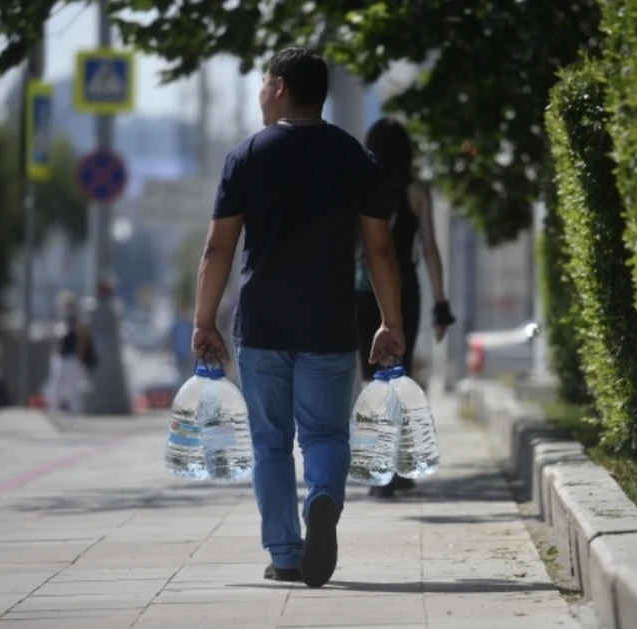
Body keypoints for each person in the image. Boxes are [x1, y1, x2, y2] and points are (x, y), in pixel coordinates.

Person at [191, 48, 405, 589]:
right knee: (327, 435)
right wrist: (390, 321)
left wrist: (203, 320)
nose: (260, 91)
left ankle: (285, 554)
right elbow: (380, 248)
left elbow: (218, 247)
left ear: (281, 88)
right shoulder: (354, 157)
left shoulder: (246, 156)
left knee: (270, 443)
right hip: (329, 323)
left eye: (264, 82)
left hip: (261, 326)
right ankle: (325, 504)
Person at [355, 117, 457, 498]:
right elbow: (429, 249)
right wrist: (441, 303)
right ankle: (398, 466)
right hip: (405, 292)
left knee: (371, 381)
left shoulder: (357, 188)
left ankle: (379, 470)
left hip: (363, 293)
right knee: (398, 377)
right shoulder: (417, 192)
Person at [43, 291, 91, 416]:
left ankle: (74, 414)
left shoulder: (77, 321)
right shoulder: (60, 321)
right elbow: (56, 341)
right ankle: (52, 411)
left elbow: (82, 340)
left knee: (72, 389)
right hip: (60, 357)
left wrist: (79, 357)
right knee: (54, 386)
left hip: (71, 358)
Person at [169, 303, 195, 383]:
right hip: (179, 354)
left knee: (189, 374)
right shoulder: (176, 325)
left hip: (188, 354)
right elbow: (171, 338)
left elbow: (192, 337)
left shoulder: (189, 324)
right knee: (181, 375)